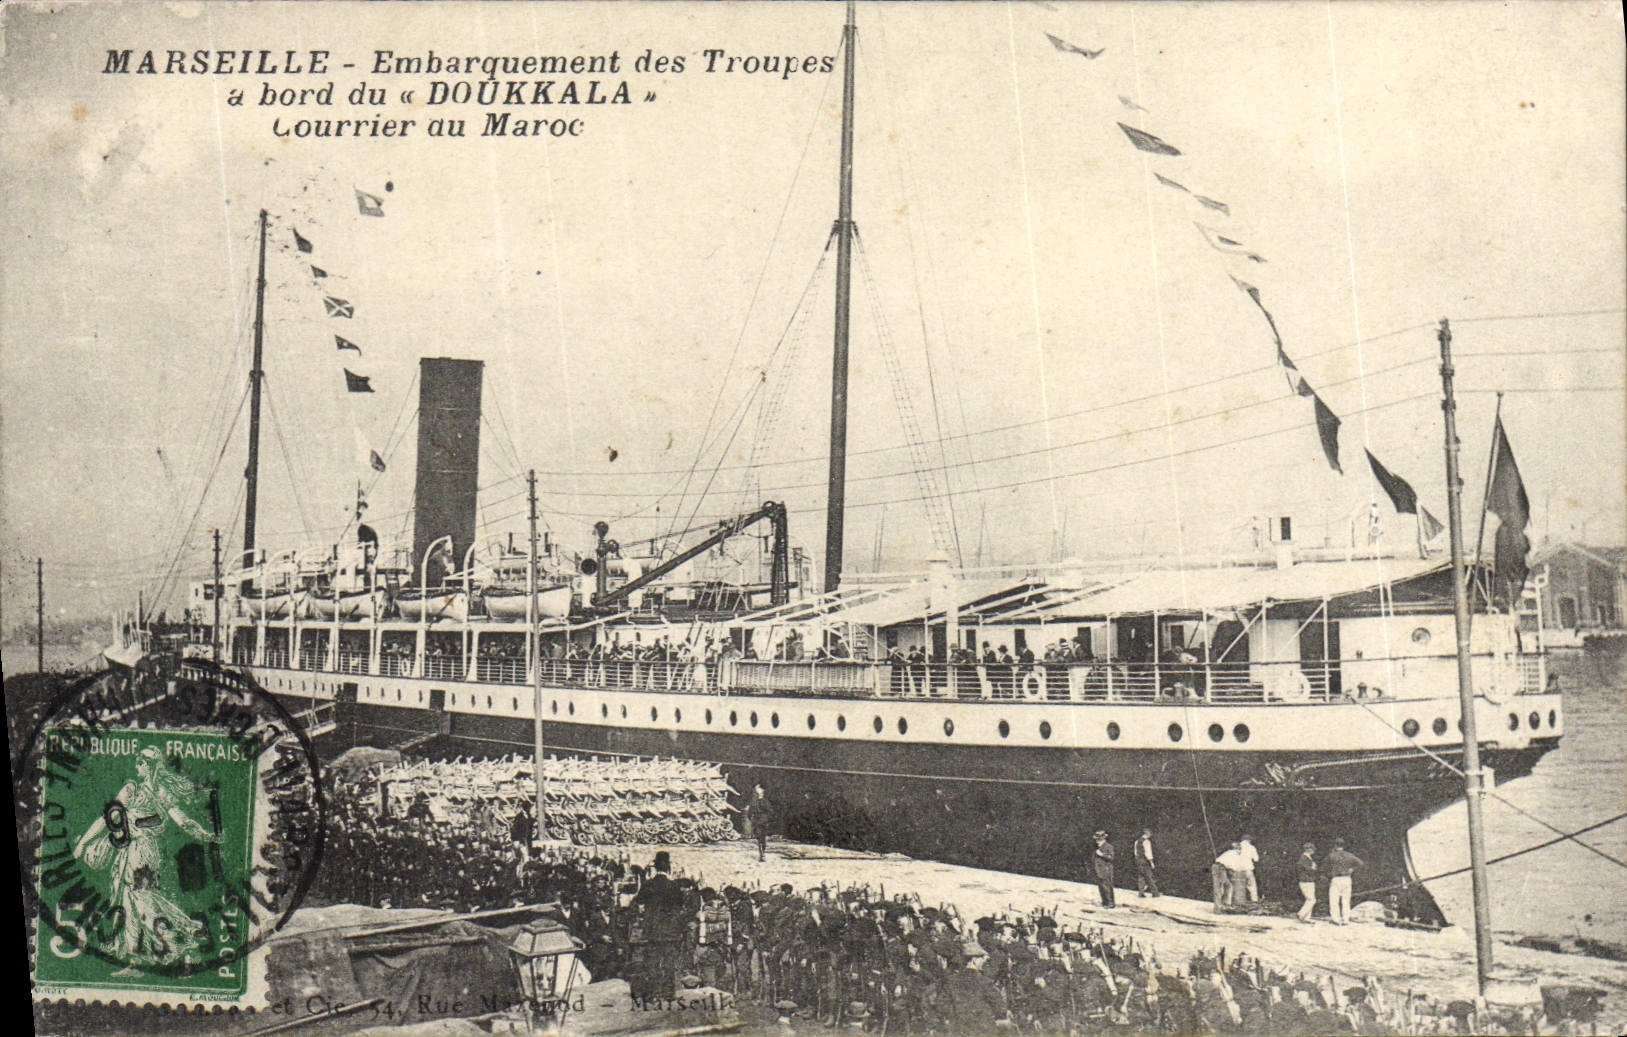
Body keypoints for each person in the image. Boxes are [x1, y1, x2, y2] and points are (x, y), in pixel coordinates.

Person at [72, 747, 218, 971]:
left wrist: (83, 843)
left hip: (139, 850)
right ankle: (138, 953)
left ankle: (177, 938)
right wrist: (207, 836)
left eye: (140, 763)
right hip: (146, 850)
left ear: (148, 766)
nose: (136, 766)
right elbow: (184, 822)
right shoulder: (161, 792)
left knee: (139, 897)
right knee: (129, 897)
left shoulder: (132, 789)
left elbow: (107, 819)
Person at [630, 850, 688, 1000]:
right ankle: (668, 993)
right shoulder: (673, 886)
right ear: (668, 867)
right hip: (670, 931)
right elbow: (680, 906)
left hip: (652, 930)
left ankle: (653, 993)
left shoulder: (648, 885)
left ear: (655, 868)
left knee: (652, 962)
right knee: (669, 962)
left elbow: (638, 902)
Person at [1324, 838, 1364, 925]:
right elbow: (1361, 863)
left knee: (1334, 900)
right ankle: (1346, 919)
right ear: (1343, 846)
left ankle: (1336, 919)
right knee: (1346, 900)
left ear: (1335, 845)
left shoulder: (1332, 855)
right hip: (1347, 878)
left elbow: (1325, 865)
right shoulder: (1349, 855)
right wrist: (1352, 869)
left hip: (1336, 878)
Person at [1214, 842, 1248, 910]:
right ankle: (1219, 907)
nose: (1240, 851)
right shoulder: (1233, 854)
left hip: (1220, 868)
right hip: (1219, 868)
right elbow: (1232, 866)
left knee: (1228, 886)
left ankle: (1225, 904)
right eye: (1240, 849)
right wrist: (1237, 870)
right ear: (1237, 849)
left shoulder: (1229, 852)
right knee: (1221, 887)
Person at [744, 784, 770, 862]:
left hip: (762, 821)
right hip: (758, 821)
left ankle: (762, 854)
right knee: (760, 837)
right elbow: (750, 812)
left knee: (761, 837)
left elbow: (769, 811)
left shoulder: (765, 801)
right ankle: (762, 854)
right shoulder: (755, 802)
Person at [1091, 831, 1116, 907]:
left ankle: (1110, 903)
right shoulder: (1098, 847)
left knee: (1107, 886)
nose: (1096, 841)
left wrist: (1102, 855)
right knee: (1101, 887)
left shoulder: (1109, 846)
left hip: (1106, 869)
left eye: (1098, 839)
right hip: (1099, 870)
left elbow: (1111, 857)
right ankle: (1105, 902)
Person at [1296, 843, 1318, 922]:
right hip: (1306, 881)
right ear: (1309, 849)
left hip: (1307, 880)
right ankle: (1301, 913)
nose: (1313, 851)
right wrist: (1314, 868)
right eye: (1312, 849)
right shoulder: (1304, 858)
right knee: (1312, 900)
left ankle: (1306, 918)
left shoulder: (1306, 858)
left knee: (1309, 899)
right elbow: (1308, 870)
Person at [1134, 828, 1160, 897]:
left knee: (1141, 876)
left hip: (1138, 861)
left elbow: (1135, 853)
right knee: (1149, 876)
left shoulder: (1137, 841)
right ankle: (1155, 893)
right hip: (1145, 861)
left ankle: (1141, 893)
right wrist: (1151, 862)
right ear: (1147, 834)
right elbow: (1148, 853)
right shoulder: (1147, 842)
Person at [1238, 834, 1260, 903]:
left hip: (1237, 869)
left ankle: (1239, 901)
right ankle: (1254, 900)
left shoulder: (1238, 846)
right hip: (1248, 868)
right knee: (1252, 885)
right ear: (1249, 840)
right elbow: (1256, 859)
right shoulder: (1252, 847)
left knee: (1238, 886)